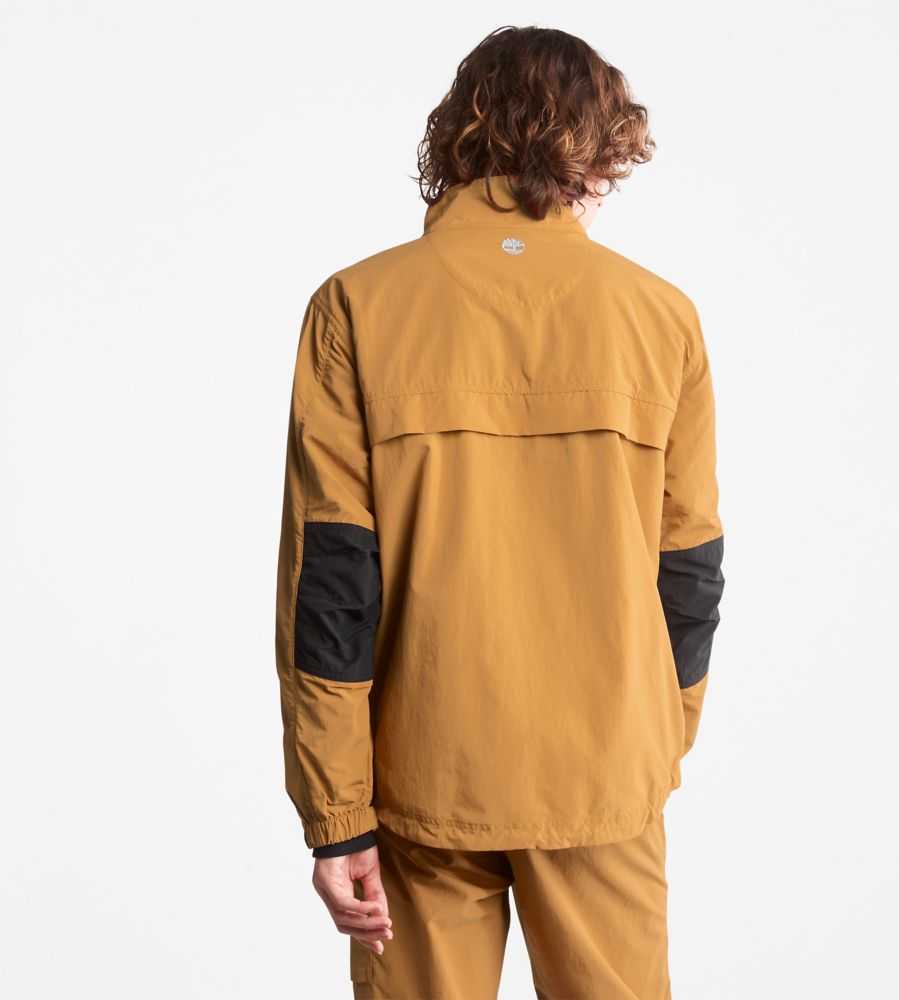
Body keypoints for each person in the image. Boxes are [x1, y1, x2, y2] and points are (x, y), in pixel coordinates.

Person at [274, 24, 724, 999]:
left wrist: (338, 816)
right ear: (595, 148)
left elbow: (332, 585)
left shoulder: (357, 307)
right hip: (604, 774)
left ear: (460, 135)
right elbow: (689, 570)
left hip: (423, 773)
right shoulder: (662, 317)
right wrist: (648, 737)